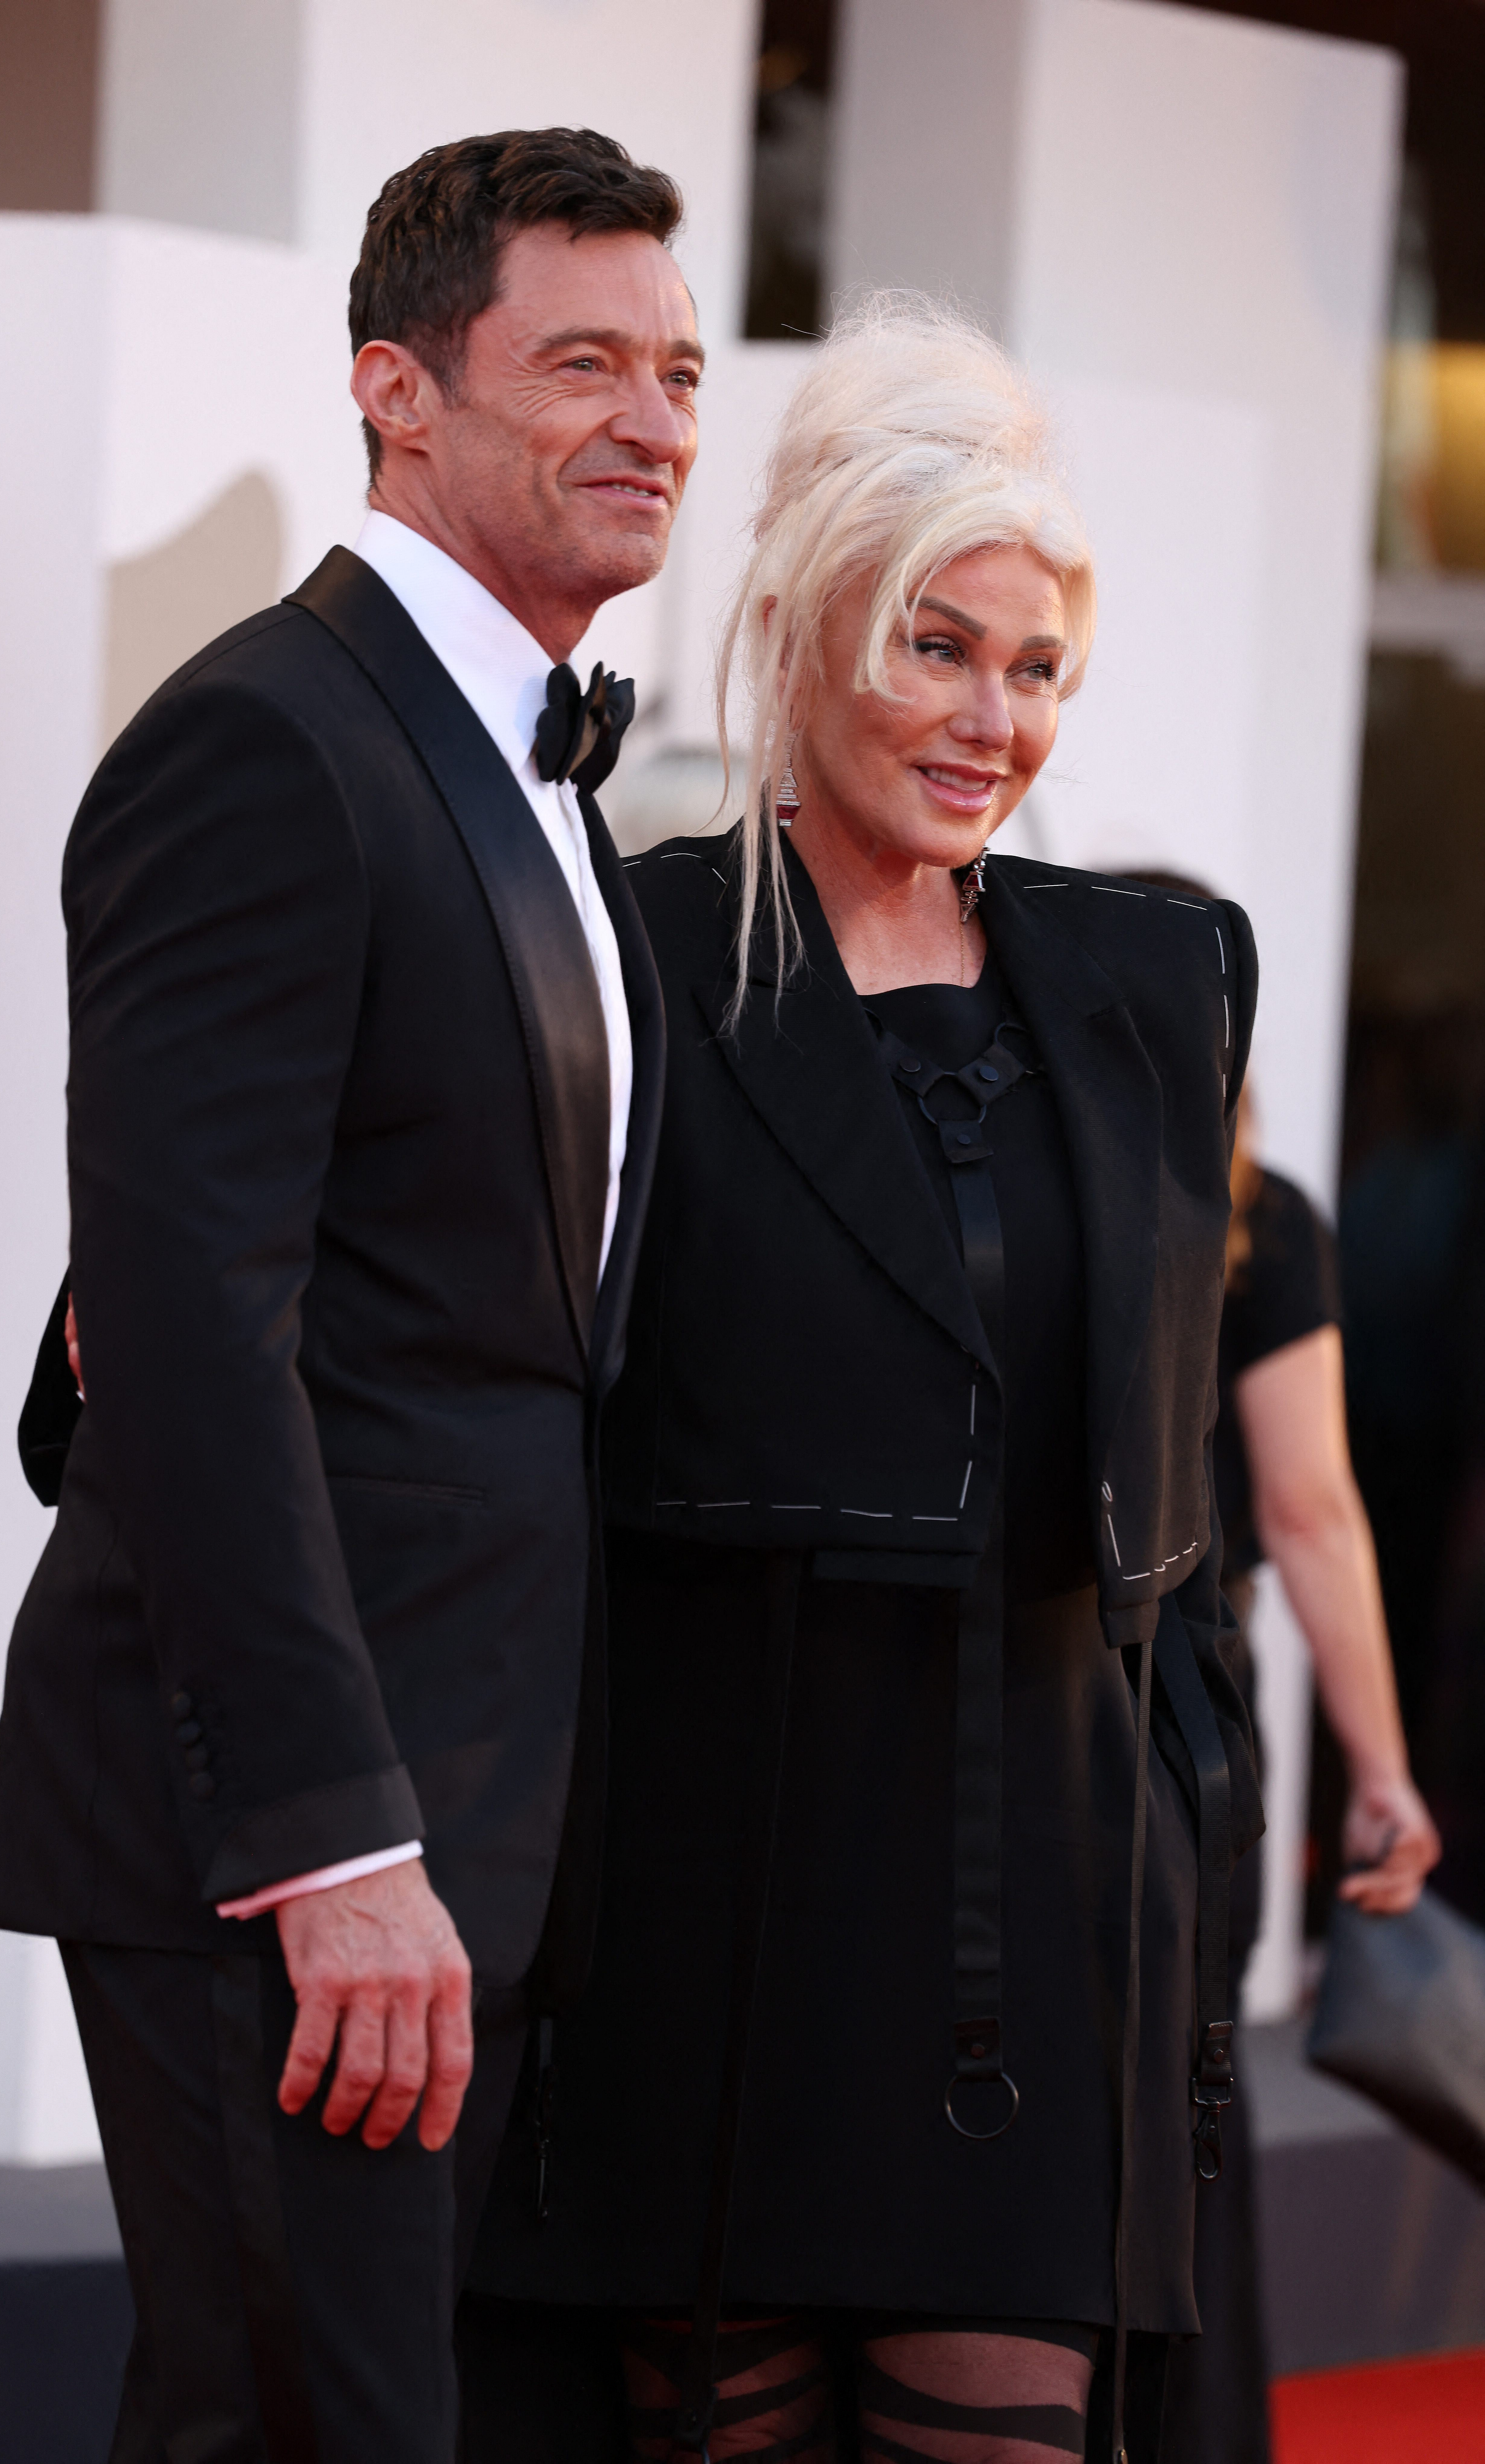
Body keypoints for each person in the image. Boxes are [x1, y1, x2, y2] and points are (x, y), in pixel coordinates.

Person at [459, 299, 1263, 2464]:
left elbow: (1175, 1488)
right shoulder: (630, 953)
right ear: (808, 625)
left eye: (1035, 666)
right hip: (715, 1890)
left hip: (1035, 1890)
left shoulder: (1144, 985)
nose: (992, 717)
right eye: (938, 646)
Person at [0, 127, 699, 2463]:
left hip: (475, 1789)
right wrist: (329, 1838)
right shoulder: (270, 737)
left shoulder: (532, 777)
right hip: (310, 1822)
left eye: (680, 373)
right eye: (578, 362)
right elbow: (188, 1313)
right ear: (397, 392)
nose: (654, 423)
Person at [1142, 1033, 1441, 2464]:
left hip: (987, 1710)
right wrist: (1378, 1775)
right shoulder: (1253, 1218)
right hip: (1179, 1715)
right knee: (1187, 2106)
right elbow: (1312, 1507)